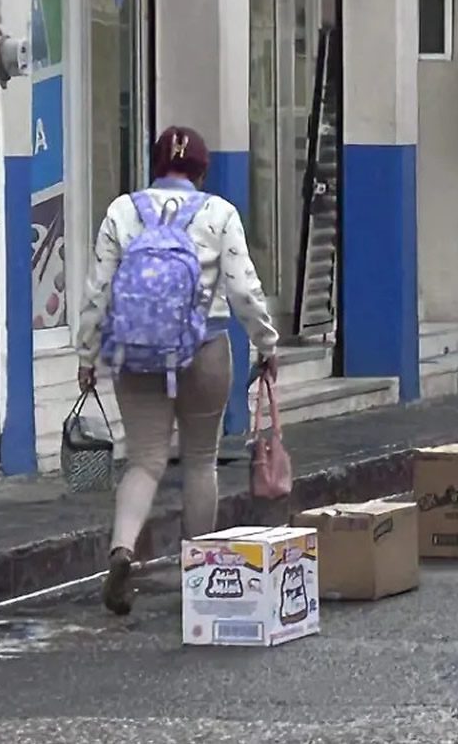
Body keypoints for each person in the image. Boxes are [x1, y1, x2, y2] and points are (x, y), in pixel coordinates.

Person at [75, 126, 280, 616]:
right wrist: (266, 344)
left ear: (154, 165)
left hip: (135, 353)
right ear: (203, 171)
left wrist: (87, 355)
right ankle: (200, 574)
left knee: (144, 460)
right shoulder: (218, 213)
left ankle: (122, 550)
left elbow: (98, 290)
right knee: (200, 460)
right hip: (204, 349)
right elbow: (243, 289)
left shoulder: (122, 211)